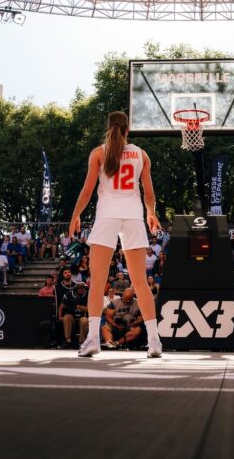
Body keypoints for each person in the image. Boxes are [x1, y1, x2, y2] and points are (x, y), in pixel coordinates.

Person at [68, 111, 162, 358]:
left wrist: (75, 214)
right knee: (141, 282)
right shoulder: (141, 154)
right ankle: (154, 341)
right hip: (132, 216)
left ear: (109, 128)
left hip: (108, 215)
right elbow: (149, 193)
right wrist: (150, 213)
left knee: (97, 282)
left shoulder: (99, 152)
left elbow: (87, 191)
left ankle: (92, 340)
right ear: (128, 129)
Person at [60, 283, 89, 348]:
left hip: (82, 317)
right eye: (80, 288)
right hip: (71, 317)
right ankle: (68, 341)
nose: (82, 289)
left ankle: (81, 342)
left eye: (83, 288)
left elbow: (89, 309)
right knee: (67, 317)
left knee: (84, 320)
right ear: (76, 289)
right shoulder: (68, 295)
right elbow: (62, 307)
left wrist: (80, 307)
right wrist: (59, 317)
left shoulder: (88, 295)